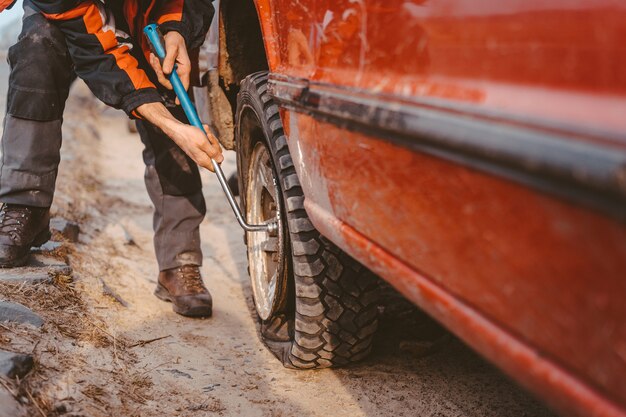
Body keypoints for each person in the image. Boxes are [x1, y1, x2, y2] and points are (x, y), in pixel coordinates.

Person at [0, 0, 223, 318]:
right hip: (64, 13)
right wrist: (171, 126)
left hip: (142, 11)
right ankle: (26, 207)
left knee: (169, 80)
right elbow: (105, 57)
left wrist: (175, 30)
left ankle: (180, 256)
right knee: (38, 47)